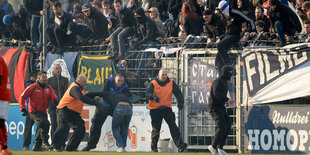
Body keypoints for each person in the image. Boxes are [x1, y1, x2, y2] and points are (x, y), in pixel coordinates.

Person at [51, 75, 101, 152]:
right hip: (64, 109)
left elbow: (84, 96)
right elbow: (81, 97)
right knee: (62, 127)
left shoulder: (80, 89)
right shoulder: (74, 88)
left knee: (80, 128)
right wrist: (95, 102)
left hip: (73, 112)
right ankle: (55, 146)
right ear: (78, 80)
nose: (85, 83)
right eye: (84, 81)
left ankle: (70, 148)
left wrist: (96, 98)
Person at [82, 74, 131, 151]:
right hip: (103, 106)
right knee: (95, 123)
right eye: (118, 81)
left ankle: (121, 146)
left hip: (115, 107)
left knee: (121, 124)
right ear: (114, 79)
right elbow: (102, 94)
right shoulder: (108, 81)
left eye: (122, 81)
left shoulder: (125, 86)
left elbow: (127, 96)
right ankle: (91, 145)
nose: (120, 83)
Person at [145, 69, 187, 152]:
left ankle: (180, 145)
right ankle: (154, 148)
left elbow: (178, 93)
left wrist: (181, 102)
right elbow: (147, 93)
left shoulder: (171, 82)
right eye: (162, 75)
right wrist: (153, 97)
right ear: (158, 75)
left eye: (165, 74)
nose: (164, 76)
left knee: (173, 126)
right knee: (156, 129)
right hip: (155, 109)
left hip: (166, 108)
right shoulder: (153, 83)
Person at [19, 71, 58, 151]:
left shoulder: (48, 88)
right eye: (43, 77)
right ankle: (42, 143)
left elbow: (53, 99)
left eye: (46, 77)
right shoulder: (32, 87)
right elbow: (22, 97)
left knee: (42, 126)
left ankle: (37, 146)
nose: (45, 79)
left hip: (43, 112)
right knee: (44, 124)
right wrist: (23, 109)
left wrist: (59, 104)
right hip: (33, 111)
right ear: (38, 78)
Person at [216, 0, 255, 74]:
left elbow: (249, 20)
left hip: (235, 36)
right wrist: (221, 38)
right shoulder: (225, 15)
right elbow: (228, 30)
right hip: (228, 35)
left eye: (221, 10)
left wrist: (253, 30)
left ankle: (229, 65)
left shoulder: (235, 12)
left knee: (220, 46)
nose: (220, 12)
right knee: (218, 56)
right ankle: (221, 73)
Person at [207, 65, 234, 155]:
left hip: (220, 107)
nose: (231, 75)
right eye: (230, 73)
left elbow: (219, 95)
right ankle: (213, 146)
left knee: (228, 125)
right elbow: (216, 93)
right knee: (222, 126)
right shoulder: (218, 81)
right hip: (214, 107)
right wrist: (227, 100)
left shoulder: (225, 82)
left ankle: (220, 148)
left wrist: (225, 102)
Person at [47, 64, 69, 140]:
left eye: (59, 68)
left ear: (61, 70)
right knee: (54, 123)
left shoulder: (65, 80)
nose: (58, 70)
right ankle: (53, 141)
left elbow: (66, 92)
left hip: (62, 104)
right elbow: (47, 94)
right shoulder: (49, 80)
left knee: (62, 124)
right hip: (52, 105)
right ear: (53, 70)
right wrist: (48, 107)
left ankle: (62, 141)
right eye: (56, 68)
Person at [0, 54, 12, 155]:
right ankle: (4, 148)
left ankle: (4, 148)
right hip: (4, 94)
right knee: (1, 123)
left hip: (1, 94)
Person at [22, 71, 37, 151]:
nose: (35, 78)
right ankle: (26, 146)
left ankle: (37, 144)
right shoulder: (29, 85)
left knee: (41, 128)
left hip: (39, 110)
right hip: (30, 110)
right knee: (28, 129)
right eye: (35, 77)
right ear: (31, 77)